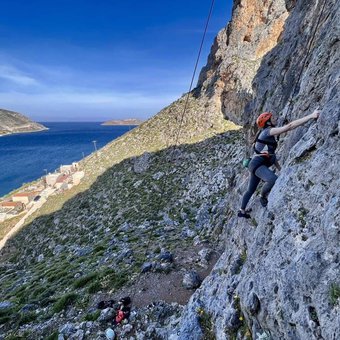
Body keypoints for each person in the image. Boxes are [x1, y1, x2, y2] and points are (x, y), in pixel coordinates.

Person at [238, 109, 320, 218]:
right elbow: (289, 126)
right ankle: (262, 196)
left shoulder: (267, 135)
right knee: (273, 179)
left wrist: (280, 169)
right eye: (272, 118)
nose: (275, 118)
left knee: (251, 190)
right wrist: (311, 116)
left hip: (255, 164)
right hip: (257, 165)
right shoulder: (268, 132)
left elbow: (271, 156)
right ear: (267, 122)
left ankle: (242, 211)